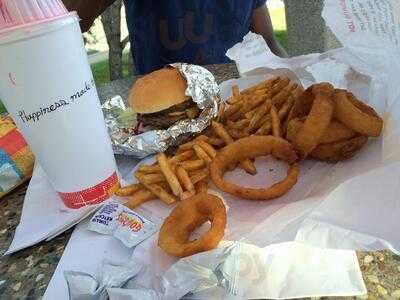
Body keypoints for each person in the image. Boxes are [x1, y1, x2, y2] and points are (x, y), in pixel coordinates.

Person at [64, 1, 288, 75]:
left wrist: (297, 80)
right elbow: (68, 18)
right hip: (161, 119)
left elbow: (268, 42)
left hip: (237, 106)